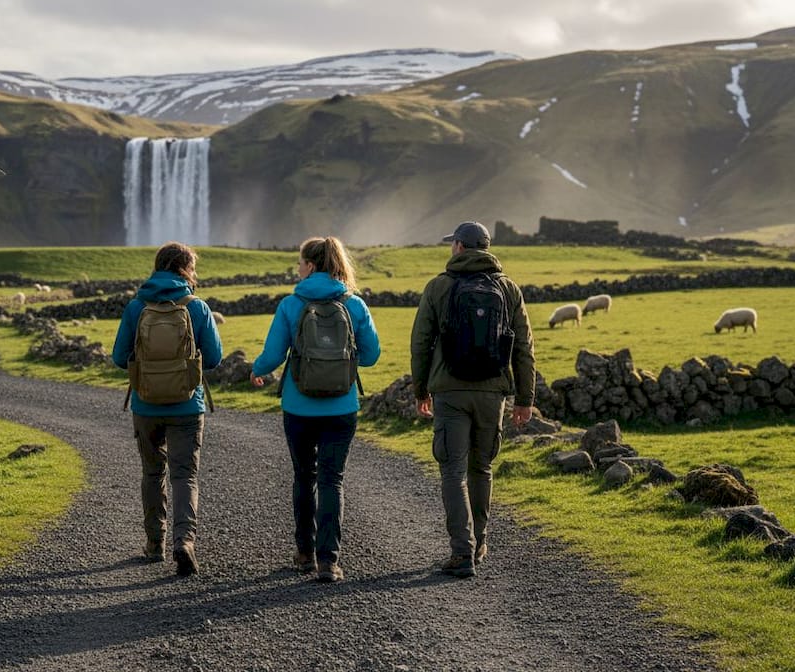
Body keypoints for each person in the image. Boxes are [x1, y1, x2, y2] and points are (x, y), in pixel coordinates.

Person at [250, 237, 381, 583]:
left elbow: (274, 354)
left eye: (299, 263)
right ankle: (329, 561)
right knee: (332, 480)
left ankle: (304, 553)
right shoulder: (354, 305)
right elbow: (371, 356)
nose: (297, 268)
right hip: (342, 406)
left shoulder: (291, 305)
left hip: (298, 406)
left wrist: (257, 370)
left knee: (304, 477)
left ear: (309, 265)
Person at [409, 221, 535, 578]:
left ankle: (461, 552)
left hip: (449, 393)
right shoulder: (509, 289)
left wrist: (421, 390)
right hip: (492, 393)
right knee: (482, 468)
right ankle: (479, 543)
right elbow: (524, 347)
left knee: (452, 470)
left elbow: (420, 344)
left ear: (460, 247)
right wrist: (525, 398)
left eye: (454, 244)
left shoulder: (438, 287)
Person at [112, 242, 223, 576]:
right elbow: (215, 359)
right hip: (188, 405)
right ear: (187, 269)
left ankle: (153, 544)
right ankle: (184, 543)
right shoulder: (196, 306)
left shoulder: (136, 306)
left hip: (146, 404)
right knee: (184, 474)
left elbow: (119, 358)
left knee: (151, 472)